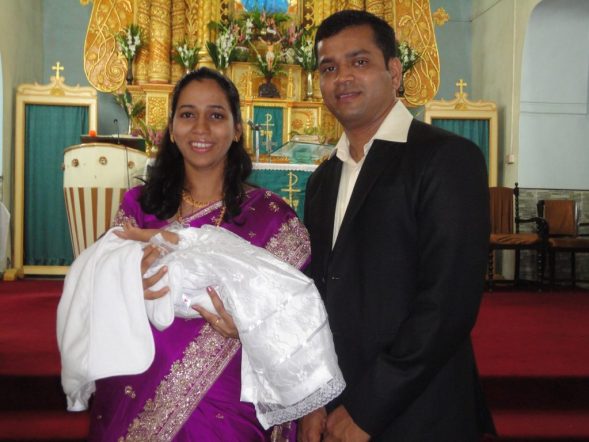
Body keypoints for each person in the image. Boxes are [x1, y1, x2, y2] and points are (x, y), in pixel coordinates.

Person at [298, 10, 496, 442]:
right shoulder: (322, 180)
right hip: (337, 404)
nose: (342, 77)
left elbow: (447, 304)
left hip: (420, 408)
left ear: (394, 71)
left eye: (359, 61)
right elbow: (316, 295)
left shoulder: (446, 158)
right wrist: (314, 398)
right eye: (328, 68)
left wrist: (368, 409)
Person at [85, 67, 313, 441]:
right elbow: (95, 292)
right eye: (188, 114)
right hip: (136, 383)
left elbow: (299, 322)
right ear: (172, 128)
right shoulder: (139, 207)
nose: (201, 128)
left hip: (229, 389)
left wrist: (248, 329)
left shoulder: (271, 219)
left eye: (216, 115)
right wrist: (124, 279)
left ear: (237, 129)